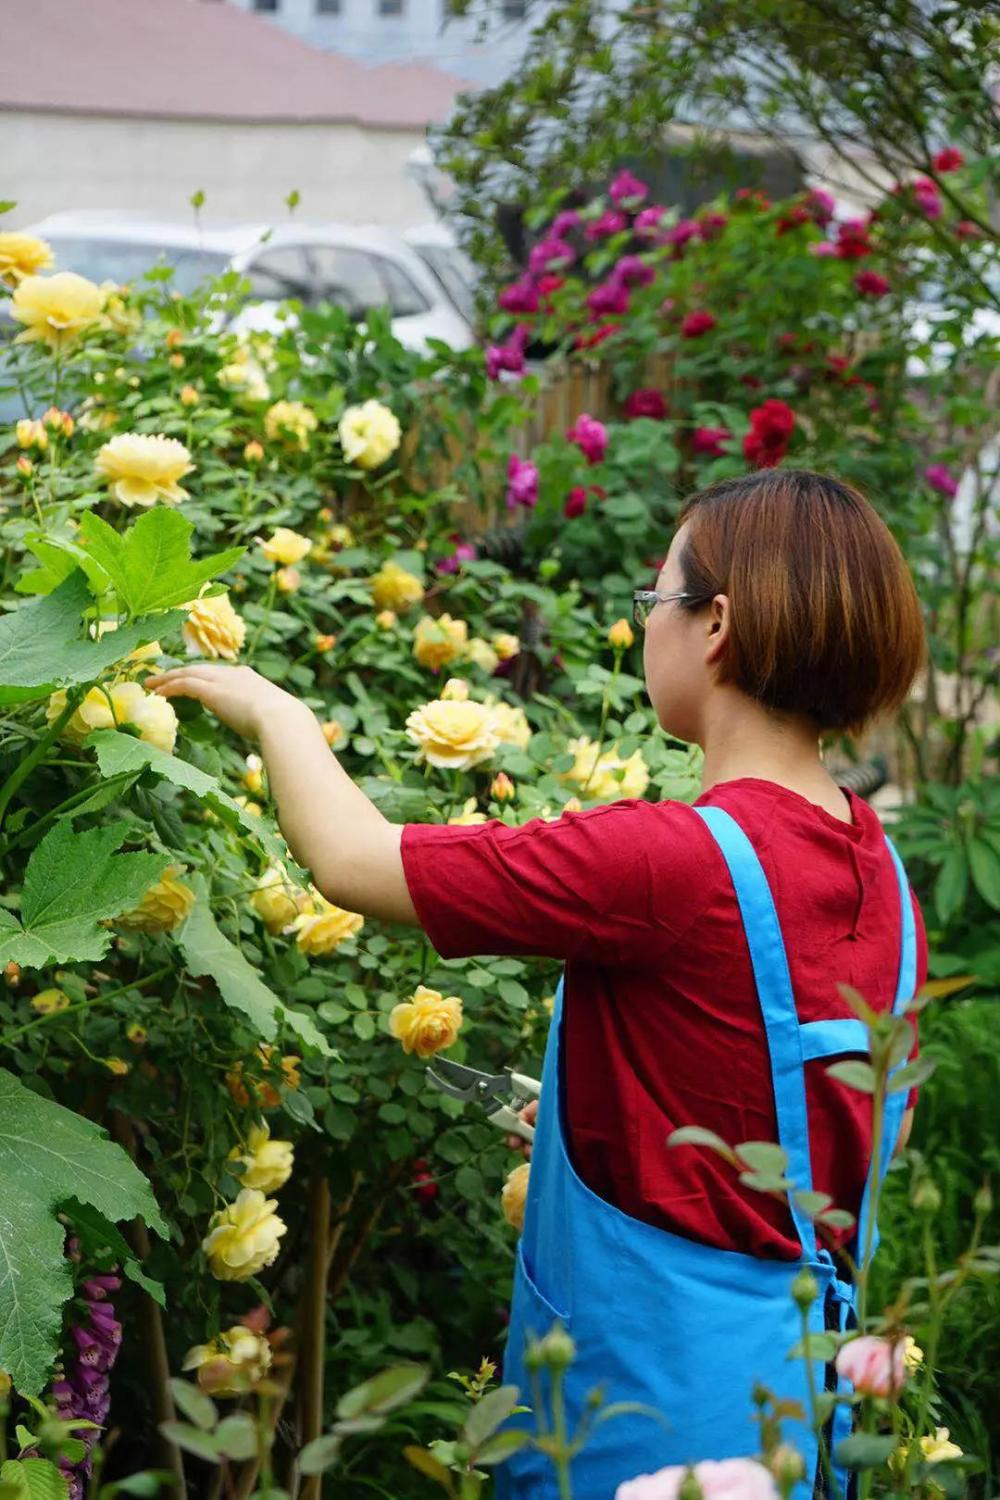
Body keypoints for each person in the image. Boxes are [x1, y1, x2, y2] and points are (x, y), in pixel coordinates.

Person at [149, 468, 928, 1499]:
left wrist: (273, 708)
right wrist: (626, 1120)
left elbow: (351, 862)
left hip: (643, 1404)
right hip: (797, 1395)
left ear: (716, 626)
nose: (645, 625)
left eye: (654, 600)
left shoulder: (663, 857)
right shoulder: (875, 859)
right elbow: (872, 1122)